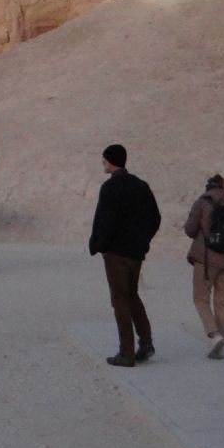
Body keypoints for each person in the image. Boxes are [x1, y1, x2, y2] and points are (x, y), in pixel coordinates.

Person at [88, 144, 161, 366]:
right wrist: (143, 241)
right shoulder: (141, 185)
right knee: (132, 296)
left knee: (120, 301)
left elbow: (105, 220)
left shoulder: (110, 187)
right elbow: (155, 218)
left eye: (104, 160)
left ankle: (126, 352)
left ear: (110, 161)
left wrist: (100, 245)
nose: (103, 163)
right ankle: (146, 343)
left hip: (116, 253)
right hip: (135, 252)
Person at [184, 174, 224, 358]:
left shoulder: (201, 203)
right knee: (223, 304)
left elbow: (190, 230)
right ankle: (220, 346)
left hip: (205, 260)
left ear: (208, 187)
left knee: (200, 298)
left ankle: (214, 334)